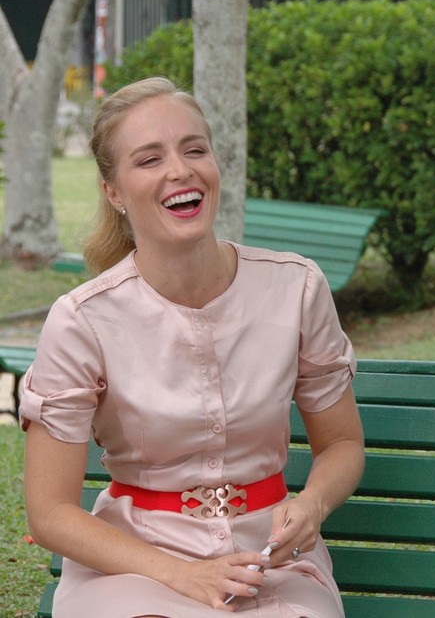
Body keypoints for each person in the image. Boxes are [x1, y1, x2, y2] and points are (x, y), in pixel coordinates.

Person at [20, 76, 365, 616]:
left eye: (194, 150)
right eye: (149, 159)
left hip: (270, 561)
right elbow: (49, 513)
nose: (180, 170)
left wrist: (313, 503)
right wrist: (181, 575)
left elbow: (342, 444)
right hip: (135, 567)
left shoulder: (296, 288)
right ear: (114, 192)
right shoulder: (83, 320)